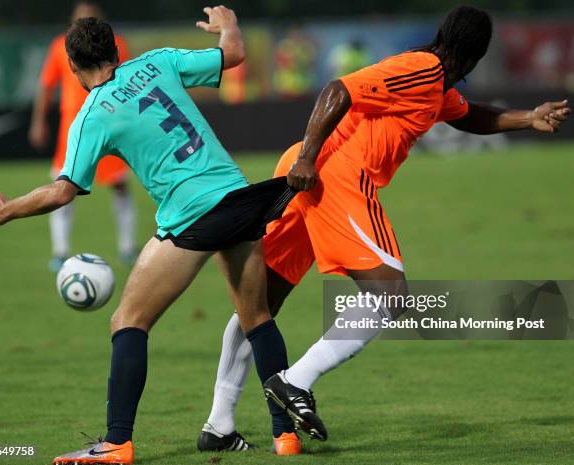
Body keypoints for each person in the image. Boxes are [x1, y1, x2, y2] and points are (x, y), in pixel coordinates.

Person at [198, 5, 571, 454]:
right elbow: (339, 90)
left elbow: (469, 114)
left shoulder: (436, 87)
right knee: (390, 293)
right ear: (473, 56)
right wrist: (308, 159)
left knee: (259, 301)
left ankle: (218, 423)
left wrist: (527, 117)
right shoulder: (422, 69)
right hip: (332, 175)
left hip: (309, 170)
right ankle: (296, 381)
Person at [0, 7, 312, 464]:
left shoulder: (92, 114)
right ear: (115, 49)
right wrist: (227, 22)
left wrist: (7, 210)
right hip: (237, 198)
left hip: (193, 215)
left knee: (128, 322)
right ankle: (285, 437)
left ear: (73, 66)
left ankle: (116, 443)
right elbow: (233, 54)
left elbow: (62, 190)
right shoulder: (158, 61)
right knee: (258, 319)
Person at [29, 0, 137, 270]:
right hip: (74, 125)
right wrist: (39, 121)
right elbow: (46, 86)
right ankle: (60, 251)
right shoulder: (59, 47)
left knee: (120, 186)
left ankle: (127, 248)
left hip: (111, 123)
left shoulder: (118, 44)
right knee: (62, 185)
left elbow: (134, 82)